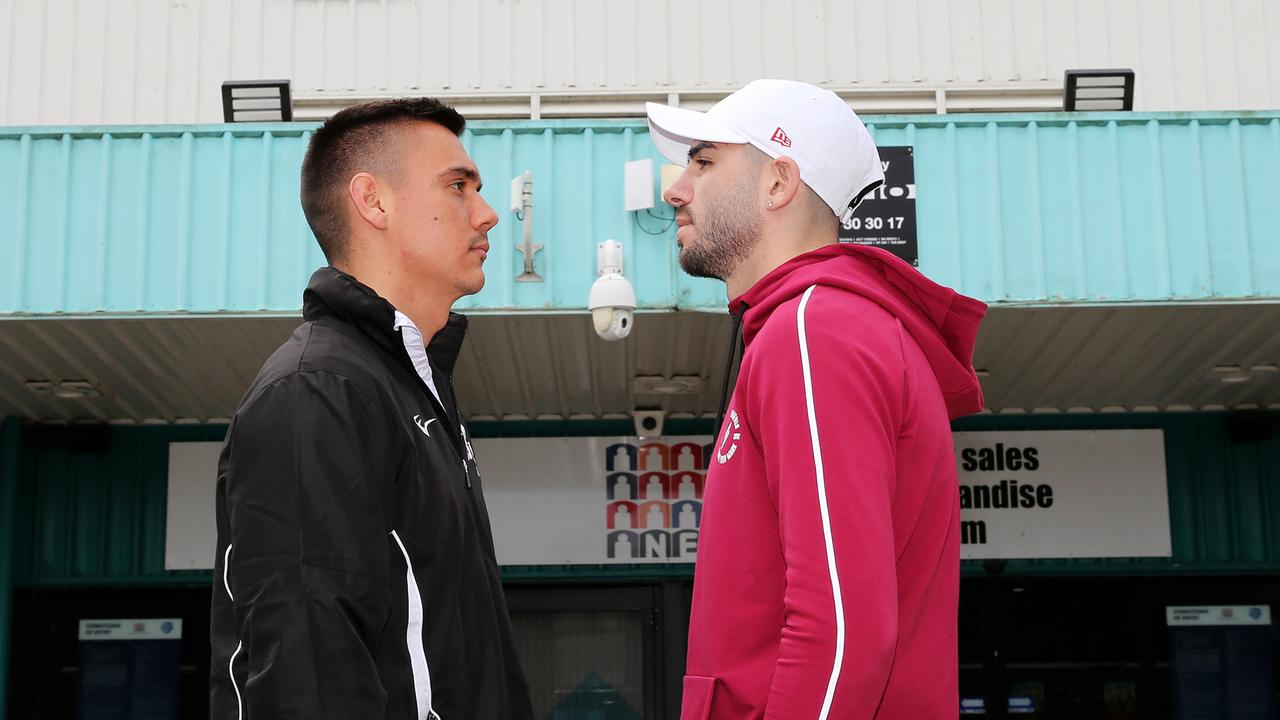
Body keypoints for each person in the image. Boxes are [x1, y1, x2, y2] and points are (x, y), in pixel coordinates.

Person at [646, 79, 987, 718]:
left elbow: (842, 630)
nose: (675, 189)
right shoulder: (818, 327)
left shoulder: (812, 331)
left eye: (705, 161)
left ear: (779, 182)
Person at [210, 98, 533, 720]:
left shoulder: (411, 390)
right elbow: (306, 674)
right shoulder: (318, 392)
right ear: (373, 201)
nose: (488, 215)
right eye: (459, 186)